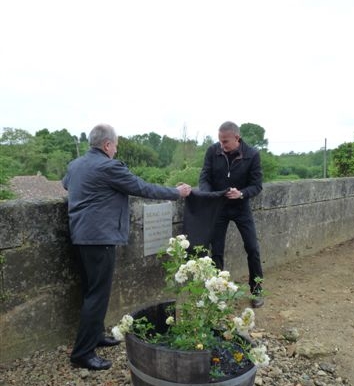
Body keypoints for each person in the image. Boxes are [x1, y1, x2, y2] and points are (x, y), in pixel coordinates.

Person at [62, 123, 191, 370]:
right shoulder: (109, 166)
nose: (116, 150)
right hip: (100, 238)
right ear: (108, 145)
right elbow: (142, 188)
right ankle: (82, 353)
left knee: (91, 290)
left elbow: (68, 185)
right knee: (97, 294)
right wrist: (176, 192)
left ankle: (96, 335)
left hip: (80, 235)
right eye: (116, 145)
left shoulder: (76, 164)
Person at [198, 121, 264, 308]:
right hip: (219, 207)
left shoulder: (252, 155)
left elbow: (257, 186)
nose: (222, 146)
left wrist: (241, 193)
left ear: (237, 138)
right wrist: (208, 194)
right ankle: (218, 292)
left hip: (241, 207)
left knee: (252, 248)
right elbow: (204, 177)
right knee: (216, 251)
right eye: (219, 141)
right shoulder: (213, 151)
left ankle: (257, 291)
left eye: (225, 142)